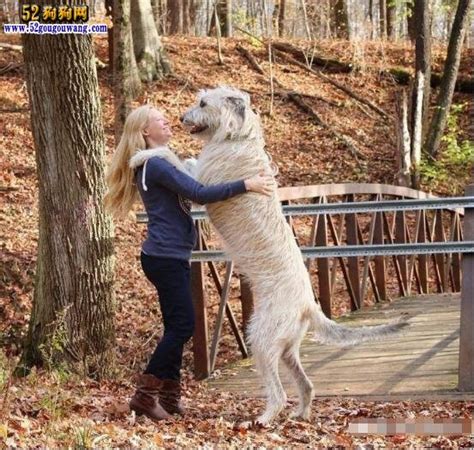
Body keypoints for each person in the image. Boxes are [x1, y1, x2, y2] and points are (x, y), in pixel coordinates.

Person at [104, 105, 274, 421]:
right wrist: (245, 185)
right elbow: (199, 193)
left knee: (176, 325)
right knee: (183, 324)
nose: (167, 120)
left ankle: (168, 398)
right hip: (165, 257)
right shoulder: (155, 165)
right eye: (159, 119)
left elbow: (192, 190)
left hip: (167, 256)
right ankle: (145, 395)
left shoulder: (160, 164)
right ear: (145, 131)